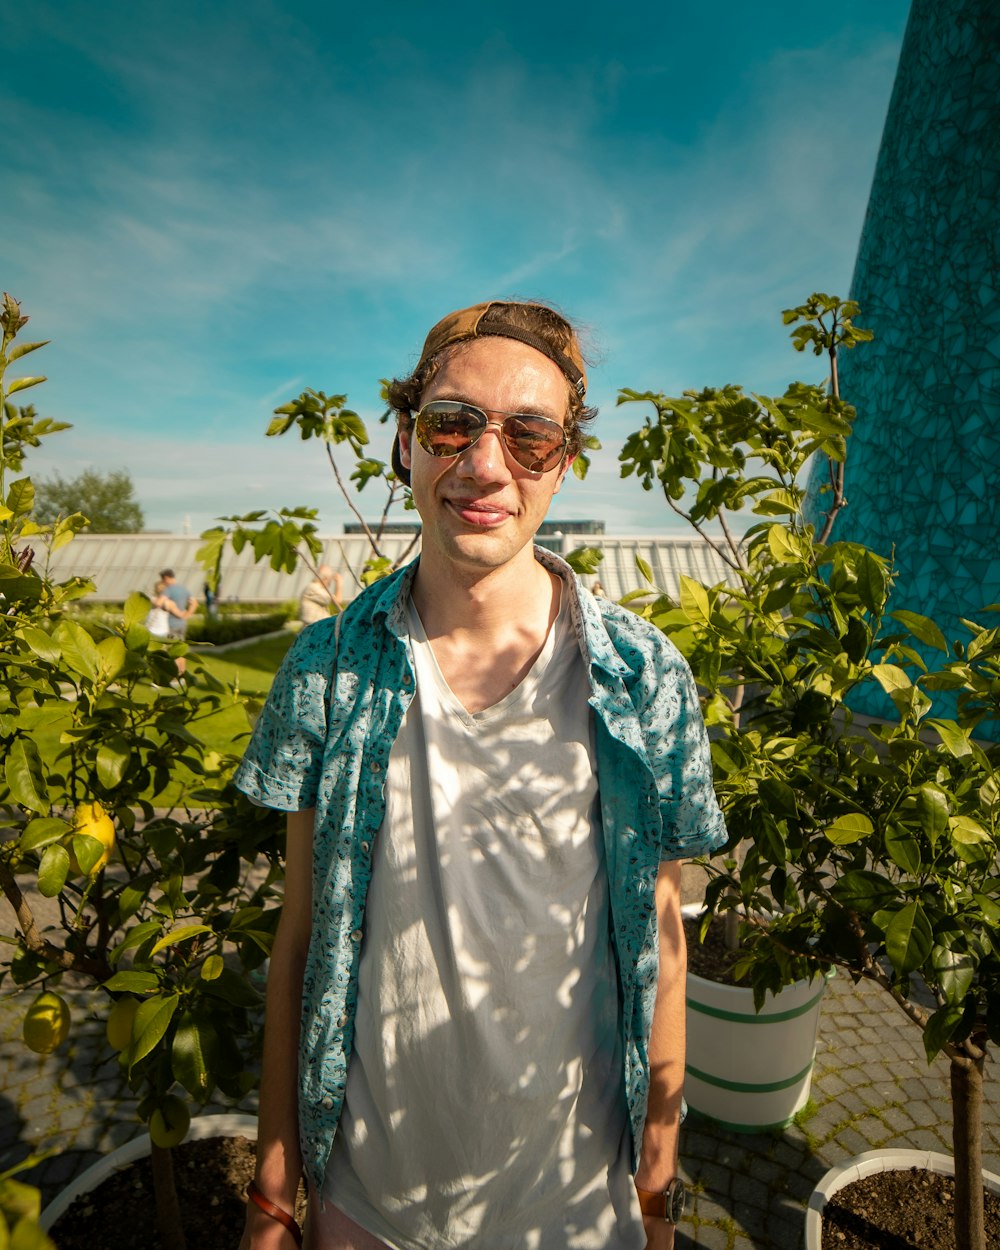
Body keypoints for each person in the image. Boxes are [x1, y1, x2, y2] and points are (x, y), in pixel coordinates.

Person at [234, 300, 727, 1250]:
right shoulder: (329, 669)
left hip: (577, 1213)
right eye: (451, 424)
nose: (484, 465)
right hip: (366, 1202)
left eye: (530, 436)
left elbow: (664, 948)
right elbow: (299, 943)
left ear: (566, 462)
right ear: (407, 441)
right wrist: (271, 1192)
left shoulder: (641, 676)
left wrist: (656, 1196)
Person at [157, 568, 197, 674]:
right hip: (182, 624)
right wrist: (186, 615)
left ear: (166, 578)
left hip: (172, 624)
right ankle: (182, 672)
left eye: (163, 580)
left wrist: (168, 607)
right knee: (181, 649)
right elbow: (194, 603)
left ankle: (176, 674)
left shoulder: (168, 589)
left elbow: (159, 603)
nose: (163, 582)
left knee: (173, 651)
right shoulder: (183, 589)